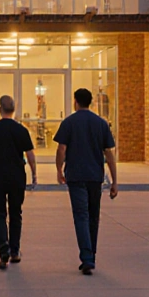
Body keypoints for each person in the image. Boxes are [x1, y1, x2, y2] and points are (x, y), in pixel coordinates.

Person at [53, 87, 118, 275]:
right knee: (93, 215)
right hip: (94, 176)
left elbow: (61, 149)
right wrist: (114, 181)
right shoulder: (101, 124)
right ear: (91, 102)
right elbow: (109, 154)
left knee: (81, 215)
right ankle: (91, 255)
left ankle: (87, 256)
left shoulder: (69, 123)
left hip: (76, 175)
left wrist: (59, 169)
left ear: (75, 101)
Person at [0, 95, 37, 270]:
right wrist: (34, 174)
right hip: (18, 176)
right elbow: (30, 155)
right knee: (16, 213)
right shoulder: (21, 130)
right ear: (13, 109)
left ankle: (3, 249)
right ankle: (15, 251)